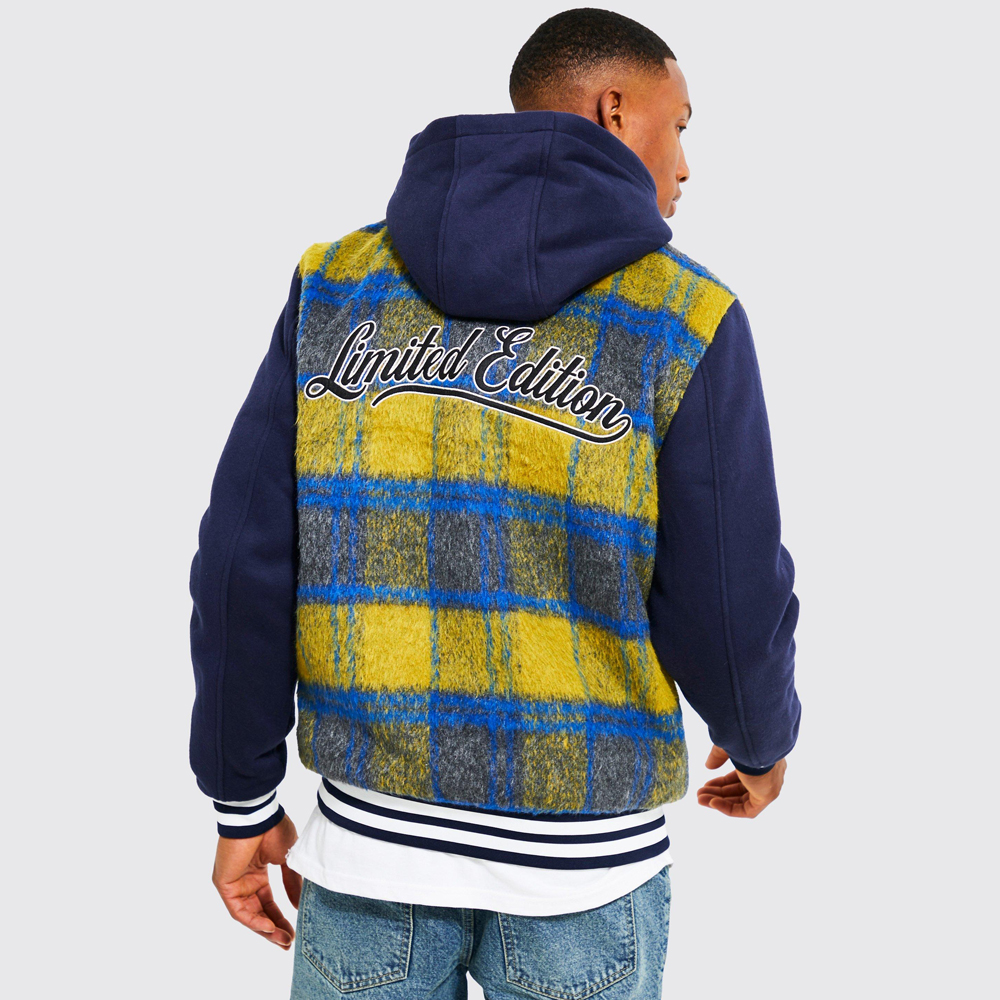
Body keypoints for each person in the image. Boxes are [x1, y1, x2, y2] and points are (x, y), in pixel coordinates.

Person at [188, 8, 801, 998]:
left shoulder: (335, 287)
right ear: (615, 109)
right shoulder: (684, 317)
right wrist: (762, 736)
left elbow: (244, 560)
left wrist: (240, 798)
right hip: (585, 876)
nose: (686, 165)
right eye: (680, 124)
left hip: (372, 859)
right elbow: (726, 591)